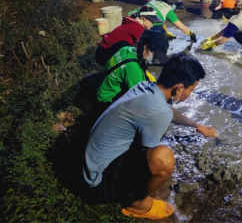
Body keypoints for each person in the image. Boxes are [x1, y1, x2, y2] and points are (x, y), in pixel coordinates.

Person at [84, 52, 218, 220]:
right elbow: (151, 153)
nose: (190, 95)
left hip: (92, 162)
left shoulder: (146, 88)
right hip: (97, 183)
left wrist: (198, 126)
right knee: (163, 159)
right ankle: (136, 204)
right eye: (191, 90)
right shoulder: (158, 111)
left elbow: (168, 110)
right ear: (179, 88)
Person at [96, 30, 170, 110]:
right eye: (154, 55)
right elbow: (141, 100)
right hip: (106, 101)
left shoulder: (127, 49)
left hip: (101, 89)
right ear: (145, 47)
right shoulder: (134, 68)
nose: (155, 59)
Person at [95, 6, 162, 67]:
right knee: (132, 50)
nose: (152, 25)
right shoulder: (137, 27)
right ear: (144, 18)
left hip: (105, 51)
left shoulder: (135, 22)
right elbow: (145, 47)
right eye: (152, 22)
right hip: (103, 54)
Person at [127, 0, 196, 40]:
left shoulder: (154, 0)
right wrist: (191, 34)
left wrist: (166, 31)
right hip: (139, 24)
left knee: (158, 25)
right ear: (171, 3)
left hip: (129, 17)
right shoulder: (168, 10)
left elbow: (159, 20)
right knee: (160, 34)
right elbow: (181, 27)